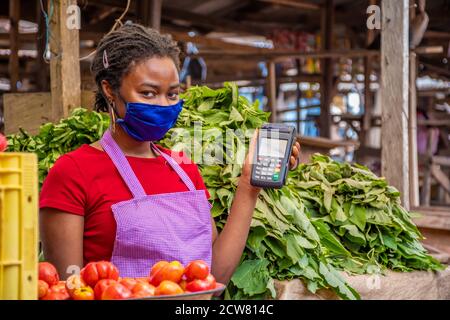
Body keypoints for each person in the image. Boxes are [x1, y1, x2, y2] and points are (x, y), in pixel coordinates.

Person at [39, 23, 301, 284]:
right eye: (148, 93)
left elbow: (212, 279)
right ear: (110, 89)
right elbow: (65, 288)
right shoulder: (73, 171)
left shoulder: (183, 166)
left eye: (172, 94)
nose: (163, 105)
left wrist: (248, 186)